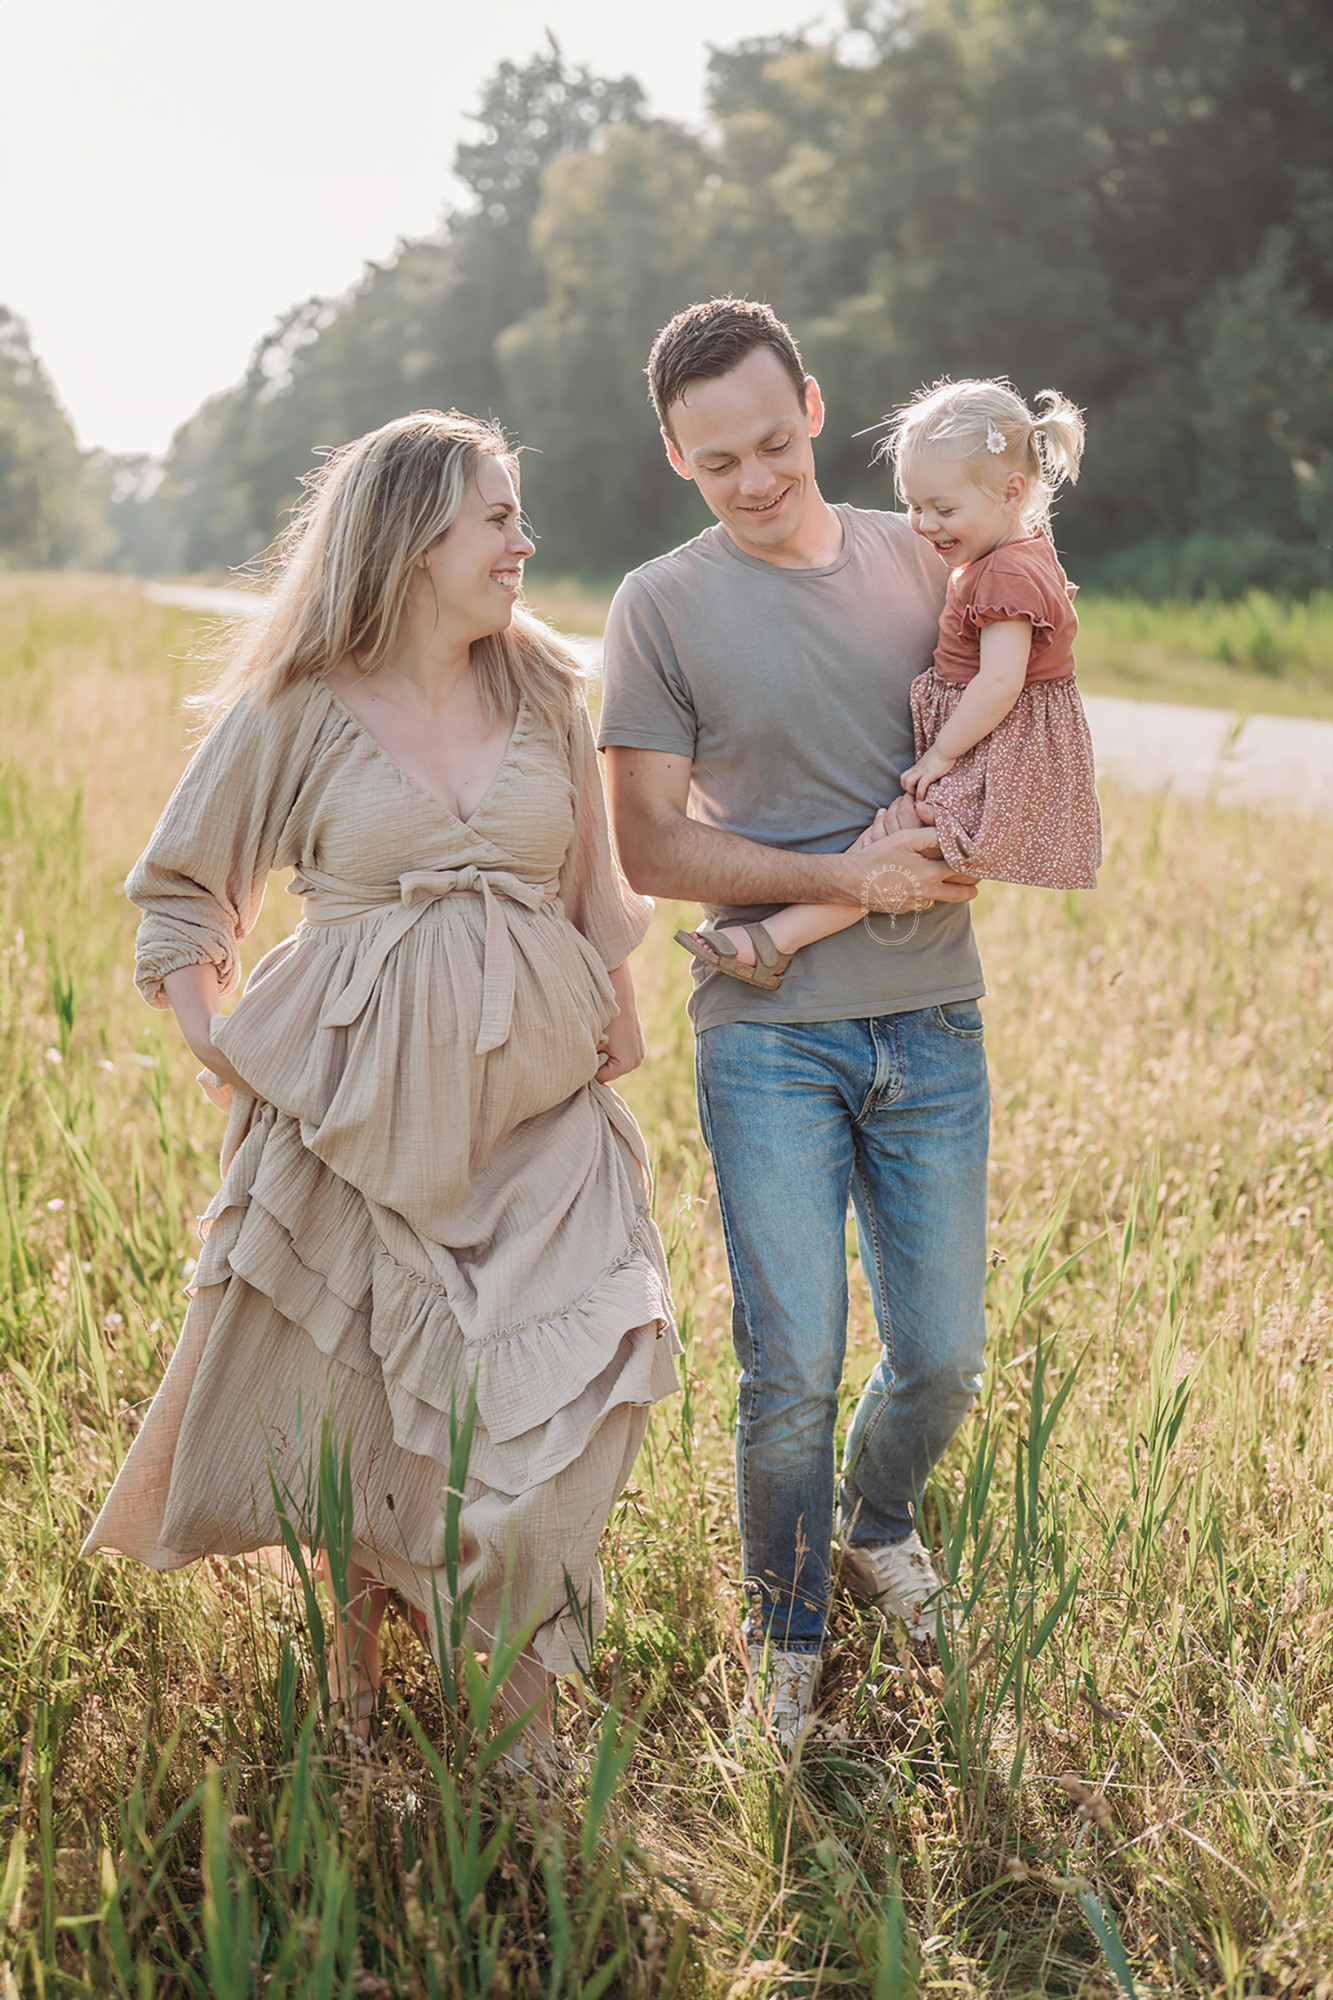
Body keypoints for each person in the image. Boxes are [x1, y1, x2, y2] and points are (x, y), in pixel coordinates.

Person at [82, 410, 679, 1755]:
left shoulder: (544, 690)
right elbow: (183, 894)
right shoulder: (297, 709)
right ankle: (354, 1701)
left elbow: (593, 895)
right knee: (354, 1423)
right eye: (498, 518)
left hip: (541, 1134)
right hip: (349, 1127)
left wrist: (616, 1017)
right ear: (414, 539)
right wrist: (216, 1042)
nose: (525, 541)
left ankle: (520, 1737)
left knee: (558, 1432)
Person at [599, 298, 988, 1747]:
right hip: (763, 1032)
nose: (756, 481)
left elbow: (1000, 747)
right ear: (674, 456)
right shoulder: (660, 603)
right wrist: (841, 877)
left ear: (815, 408)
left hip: (935, 1016)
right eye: (719, 465)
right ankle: (787, 1638)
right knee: (790, 1368)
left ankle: (879, 1525)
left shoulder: (921, 560)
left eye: (774, 443)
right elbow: (646, 846)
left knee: (943, 1351)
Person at [675, 376, 1100, 990]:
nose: (923, 525)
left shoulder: (1006, 573)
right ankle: (768, 940)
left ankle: (771, 940)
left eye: (944, 509)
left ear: (1011, 493)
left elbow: (1002, 683)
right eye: (914, 505)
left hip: (984, 750)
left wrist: (940, 754)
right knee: (893, 840)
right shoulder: (1011, 554)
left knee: (896, 844)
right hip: (982, 744)